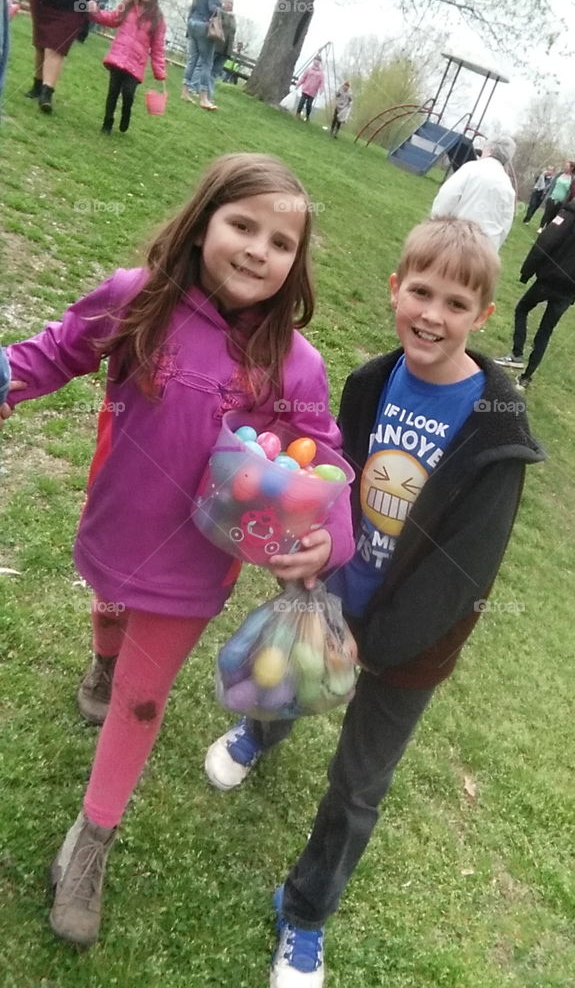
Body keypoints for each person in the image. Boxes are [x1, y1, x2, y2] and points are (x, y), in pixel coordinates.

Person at [0, 153, 354, 948]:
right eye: (242, 225)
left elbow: (323, 456)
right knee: (111, 608)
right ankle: (101, 657)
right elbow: (57, 350)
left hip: (199, 562)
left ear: (296, 263)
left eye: (280, 241)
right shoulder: (138, 301)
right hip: (118, 525)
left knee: (143, 698)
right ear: (202, 226)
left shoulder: (294, 365)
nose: (259, 250)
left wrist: (328, 535)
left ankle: (89, 843)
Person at [205, 216, 545, 988]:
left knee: (359, 785)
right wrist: (305, 544)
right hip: (330, 592)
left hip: (410, 643)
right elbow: (329, 477)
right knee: (285, 680)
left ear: (482, 317)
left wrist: (381, 647)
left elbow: (467, 566)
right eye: (419, 292)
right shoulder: (366, 383)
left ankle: (304, 914)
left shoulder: (496, 429)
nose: (432, 314)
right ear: (395, 289)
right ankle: (259, 734)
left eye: (456, 304)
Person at [495, 183, 575, 390]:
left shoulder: (569, 214)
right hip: (570, 289)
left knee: (522, 309)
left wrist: (527, 270)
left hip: (550, 279)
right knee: (545, 331)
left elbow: (546, 241)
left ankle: (517, 354)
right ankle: (526, 378)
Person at [87, 0, 166, 135]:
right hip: (118, 57)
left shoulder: (157, 18)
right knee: (113, 92)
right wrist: (96, 14)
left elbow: (158, 47)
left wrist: (159, 70)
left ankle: (126, 113)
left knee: (128, 92)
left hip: (136, 63)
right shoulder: (128, 5)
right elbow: (113, 18)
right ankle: (107, 122)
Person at [429, 132, 517, 252]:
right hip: (484, 250)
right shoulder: (508, 187)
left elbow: (447, 198)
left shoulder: (471, 169)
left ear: (489, 150)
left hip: (455, 240)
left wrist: (434, 225)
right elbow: (505, 225)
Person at [180, 0, 222, 110]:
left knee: (192, 60)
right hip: (204, 26)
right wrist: (221, 9)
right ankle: (204, 97)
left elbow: (193, 8)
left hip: (192, 23)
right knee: (206, 62)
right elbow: (213, 8)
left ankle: (185, 91)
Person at [209, 0, 236, 100]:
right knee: (207, 68)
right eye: (228, 2)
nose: (229, 5)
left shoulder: (233, 17)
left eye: (231, 3)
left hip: (225, 50)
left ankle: (208, 94)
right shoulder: (218, 12)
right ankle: (198, 89)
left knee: (215, 73)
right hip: (216, 46)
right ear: (222, 2)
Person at [538, 159, 575, 229]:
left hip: (561, 200)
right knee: (547, 213)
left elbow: (570, 191)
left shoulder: (572, 179)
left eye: (567, 166)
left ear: (571, 168)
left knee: (554, 216)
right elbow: (552, 185)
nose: (565, 167)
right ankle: (541, 227)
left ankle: (547, 228)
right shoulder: (559, 174)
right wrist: (547, 194)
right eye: (565, 165)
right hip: (552, 196)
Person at [295, 55, 324, 121]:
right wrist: (298, 84)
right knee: (301, 102)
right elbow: (303, 77)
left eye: (318, 61)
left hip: (313, 92)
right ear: (313, 61)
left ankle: (307, 116)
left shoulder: (321, 73)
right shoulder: (309, 69)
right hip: (305, 89)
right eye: (316, 60)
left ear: (320, 62)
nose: (317, 62)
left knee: (309, 105)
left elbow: (322, 82)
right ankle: (297, 114)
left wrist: (321, 90)